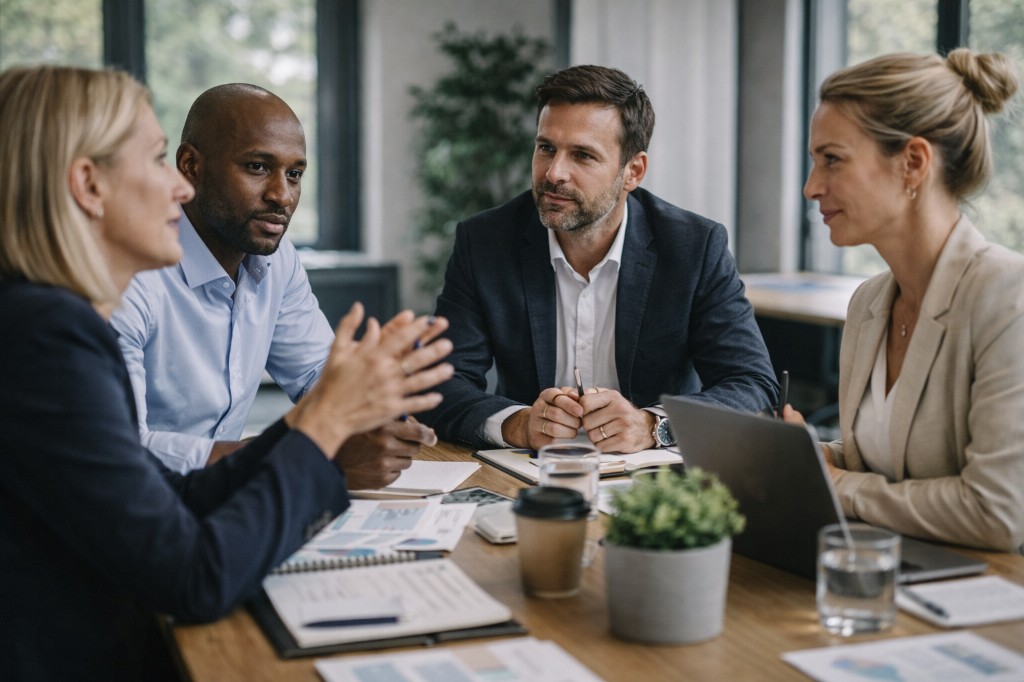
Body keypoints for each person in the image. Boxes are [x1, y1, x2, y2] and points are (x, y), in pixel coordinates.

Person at [0, 65, 453, 680]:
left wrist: (332, 423)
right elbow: (193, 577)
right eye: (159, 160)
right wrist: (318, 432)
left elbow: (172, 494)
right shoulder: (46, 336)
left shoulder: (47, 318)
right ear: (88, 184)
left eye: (295, 174)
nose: (178, 190)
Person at [420, 64, 778, 453]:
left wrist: (652, 425)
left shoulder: (694, 247)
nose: (554, 173)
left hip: (651, 479)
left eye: (583, 156)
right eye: (546, 148)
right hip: (528, 474)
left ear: (632, 171)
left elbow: (752, 385)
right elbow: (440, 383)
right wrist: (517, 423)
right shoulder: (486, 241)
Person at [110, 83, 436, 473]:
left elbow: (317, 373)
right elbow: (122, 449)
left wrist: (376, 412)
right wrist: (304, 454)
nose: (281, 195)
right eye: (257, 167)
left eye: (295, 174)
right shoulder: (128, 275)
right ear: (190, 166)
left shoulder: (278, 260)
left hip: (226, 498)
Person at [790, 49, 1024, 552]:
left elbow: (996, 510)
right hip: (887, 573)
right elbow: (887, 460)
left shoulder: (1009, 296)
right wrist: (800, 455)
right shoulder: (869, 302)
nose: (812, 187)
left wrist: (842, 486)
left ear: (913, 163)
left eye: (832, 159)